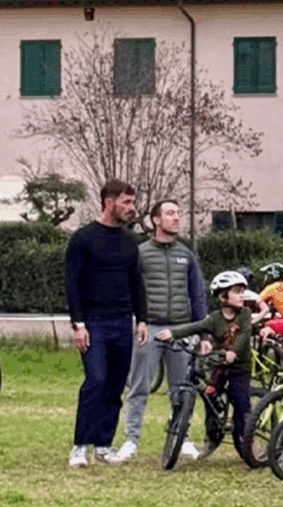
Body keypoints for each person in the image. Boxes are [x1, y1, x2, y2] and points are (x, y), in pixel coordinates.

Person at [117, 200, 209, 462]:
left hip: (181, 330)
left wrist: (201, 334)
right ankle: (130, 441)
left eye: (178, 214)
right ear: (156, 220)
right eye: (170, 214)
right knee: (138, 387)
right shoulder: (141, 253)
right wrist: (138, 321)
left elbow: (197, 295)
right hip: (151, 329)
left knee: (181, 390)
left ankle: (185, 439)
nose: (176, 218)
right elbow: (130, 291)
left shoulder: (186, 255)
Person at [66, 179, 148, 468]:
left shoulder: (129, 241)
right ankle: (79, 447)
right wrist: (78, 324)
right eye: (126, 202)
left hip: (123, 321)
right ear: (108, 202)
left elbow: (136, 283)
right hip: (93, 323)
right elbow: (72, 284)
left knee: (114, 384)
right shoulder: (83, 239)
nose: (131, 207)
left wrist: (142, 319)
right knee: (96, 380)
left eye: (132, 202)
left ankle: (103, 445)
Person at [155, 271, 253, 462]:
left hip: (240, 367)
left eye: (243, 291)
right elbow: (195, 327)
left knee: (240, 403)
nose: (242, 295)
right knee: (209, 395)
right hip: (219, 365)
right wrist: (173, 333)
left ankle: (243, 441)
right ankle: (212, 436)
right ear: (223, 296)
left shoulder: (245, 315)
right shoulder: (214, 319)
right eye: (237, 291)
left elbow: (244, 335)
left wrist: (234, 352)